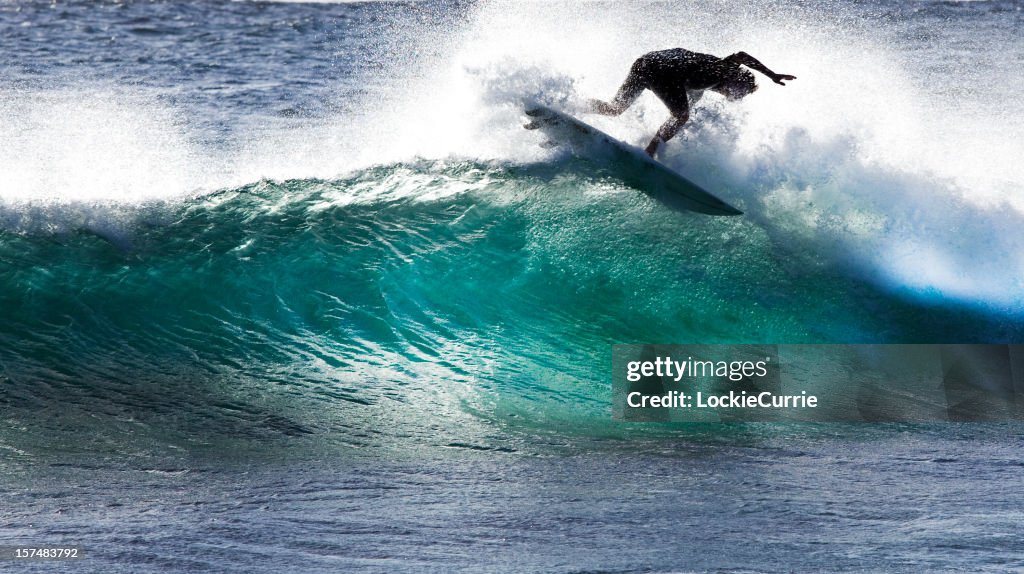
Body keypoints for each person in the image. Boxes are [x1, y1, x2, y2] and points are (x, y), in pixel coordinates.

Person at [589, 48, 796, 157]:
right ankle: (649, 152)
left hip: (644, 63)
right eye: (741, 92)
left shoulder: (699, 90)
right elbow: (741, 55)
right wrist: (771, 75)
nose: (736, 97)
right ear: (737, 79)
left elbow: (677, 119)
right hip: (660, 68)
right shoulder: (721, 69)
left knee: (614, 109)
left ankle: (571, 104)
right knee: (681, 115)